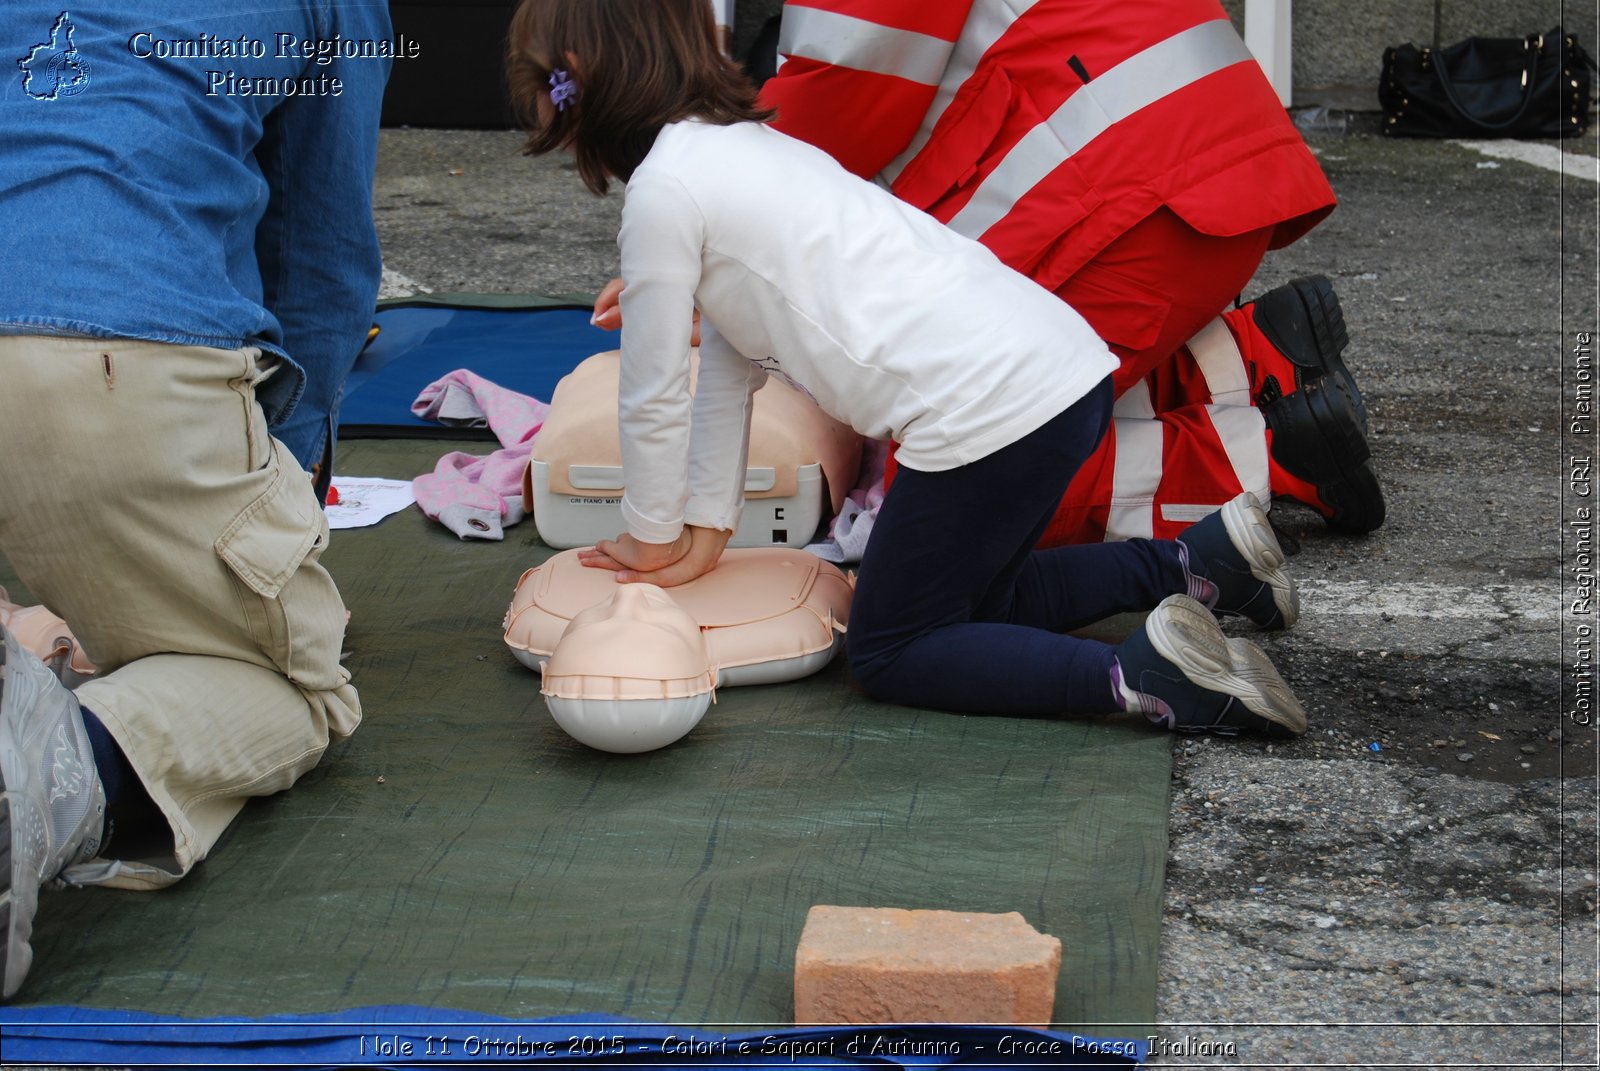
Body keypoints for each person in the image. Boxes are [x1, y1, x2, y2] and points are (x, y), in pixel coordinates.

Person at [506, 0, 1309, 737]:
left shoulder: (663, 193)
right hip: (1060, 376)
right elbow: (725, 368)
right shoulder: (743, 151)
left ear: (576, 72)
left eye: (539, 87)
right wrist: (704, 526)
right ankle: (1199, 562)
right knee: (980, 604)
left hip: (987, 413)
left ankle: (1148, 679)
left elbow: (652, 394)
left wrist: (650, 536)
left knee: (892, 649)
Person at [0, 1, 391, 999]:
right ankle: (46, 776)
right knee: (296, 690)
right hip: (113, 354)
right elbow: (319, 251)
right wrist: (283, 496)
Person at [747, 0, 1385, 546]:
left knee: (946, 502)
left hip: (1128, 206)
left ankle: (1261, 454)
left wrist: (709, 238)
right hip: (1188, 170)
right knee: (1045, 378)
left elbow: (834, 105)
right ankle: (1246, 362)